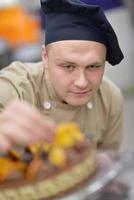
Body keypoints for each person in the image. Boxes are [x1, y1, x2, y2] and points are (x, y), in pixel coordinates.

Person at [0, 0, 124, 152]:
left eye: (93, 66)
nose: (82, 82)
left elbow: (109, 164)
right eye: (68, 66)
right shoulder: (17, 86)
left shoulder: (110, 98)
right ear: (45, 57)